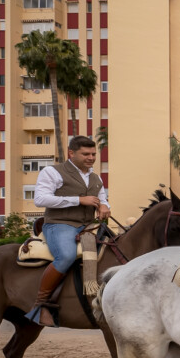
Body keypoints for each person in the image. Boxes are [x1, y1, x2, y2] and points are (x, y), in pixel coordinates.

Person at [26, 135, 109, 326]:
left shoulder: (95, 177)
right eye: (86, 154)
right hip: (59, 224)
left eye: (94, 154)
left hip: (89, 226)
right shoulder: (52, 172)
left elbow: (102, 198)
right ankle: (40, 304)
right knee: (66, 256)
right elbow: (40, 199)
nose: (91, 158)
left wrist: (104, 206)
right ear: (71, 153)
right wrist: (78, 200)